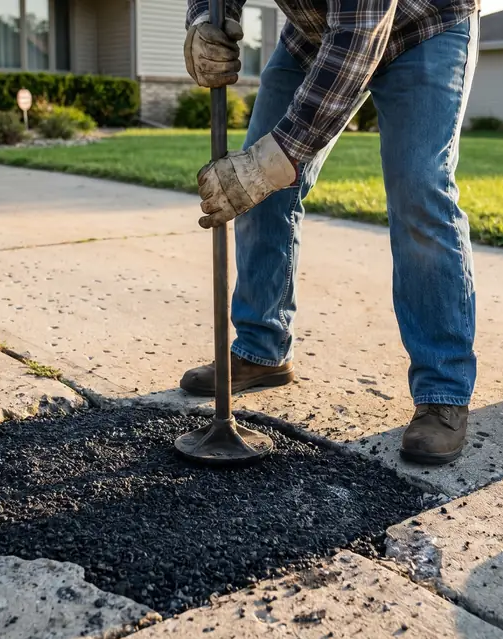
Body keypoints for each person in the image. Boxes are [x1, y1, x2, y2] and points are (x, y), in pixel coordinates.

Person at [178, 0, 481, 465]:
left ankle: (443, 390)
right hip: (314, 35)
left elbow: (360, 37)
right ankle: (262, 350)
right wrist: (203, 19)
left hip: (425, 26)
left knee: (419, 191)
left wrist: (276, 160)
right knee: (258, 191)